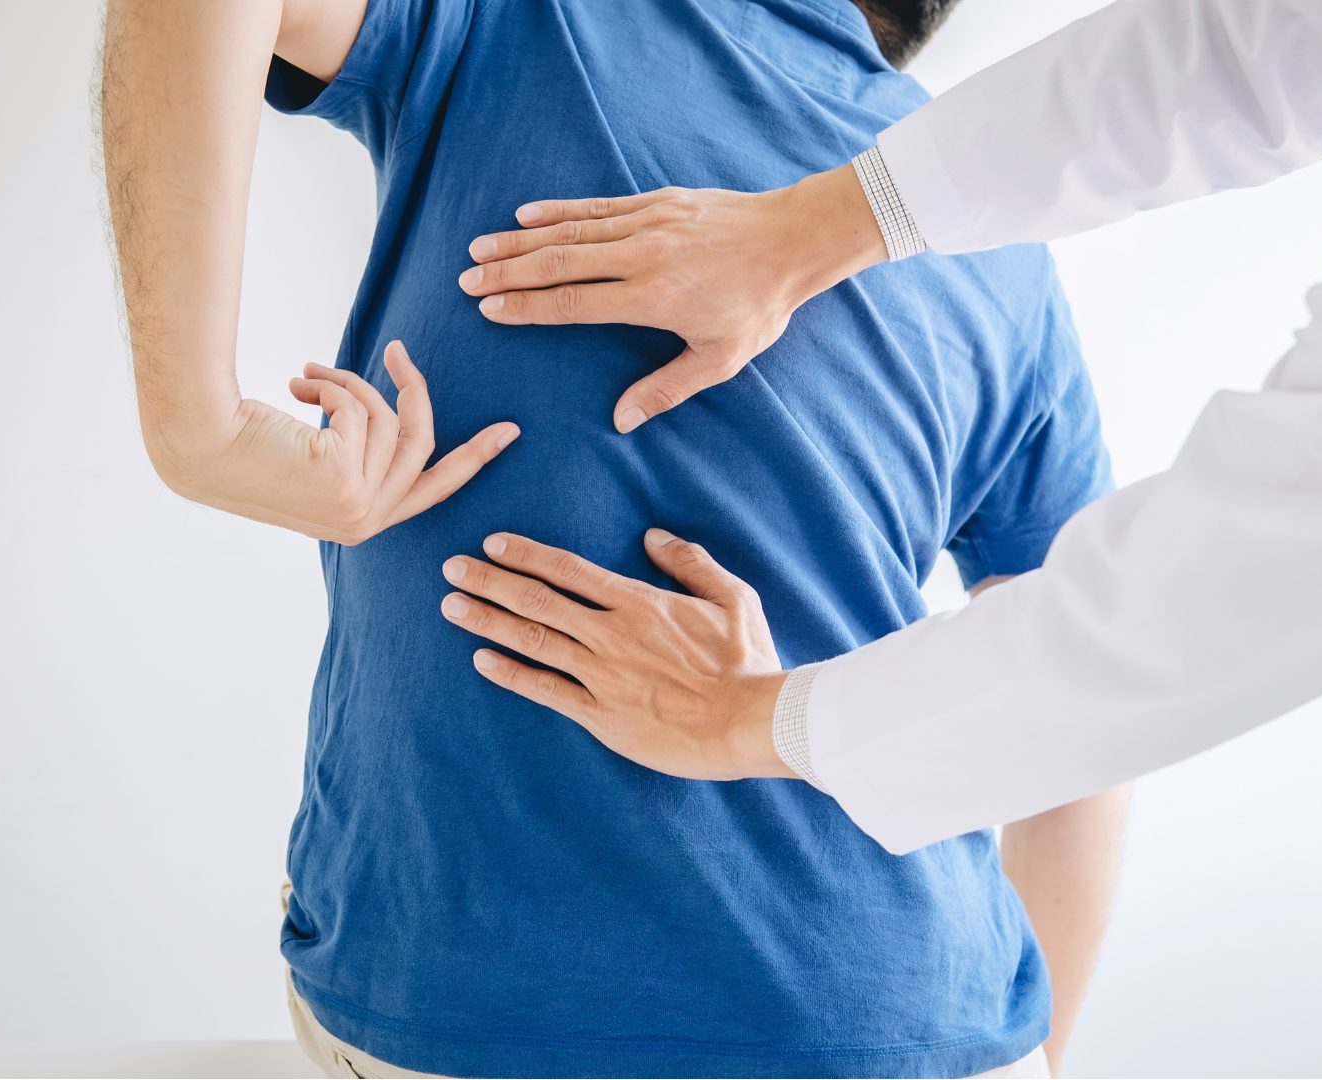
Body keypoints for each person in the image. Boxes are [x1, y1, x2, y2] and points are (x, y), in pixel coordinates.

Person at [100, 0, 1137, 1076]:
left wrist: (200, 431)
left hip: (482, 1003)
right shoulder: (987, 220)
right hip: (922, 1008)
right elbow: (1089, 699)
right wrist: (1039, 1058)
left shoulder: (538, 24)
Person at [441, 0, 1322, 970]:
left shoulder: (541, 34)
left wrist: (755, 720)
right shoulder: (1002, 267)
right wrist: (819, 226)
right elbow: (1252, 48)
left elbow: (1271, 558)